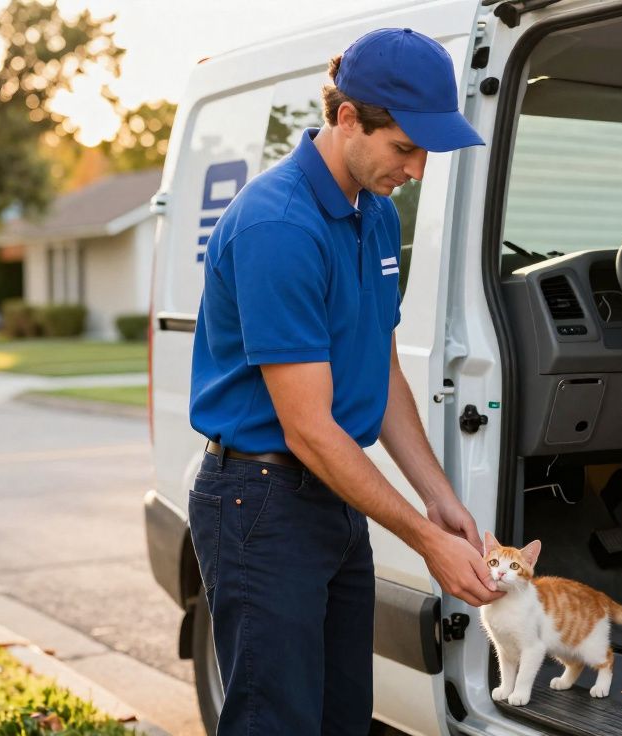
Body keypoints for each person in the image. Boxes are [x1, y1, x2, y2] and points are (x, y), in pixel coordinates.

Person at [187, 27, 504, 736]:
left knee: (340, 720)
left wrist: (440, 497)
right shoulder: (279, 226)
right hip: (261, 505)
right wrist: (427, 540)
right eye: (405, 147)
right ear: (348, 118)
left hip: (329, 499)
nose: (418, 168)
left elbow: (378, 367)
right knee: (277, 724)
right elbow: (309, 428)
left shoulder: (376, 214)